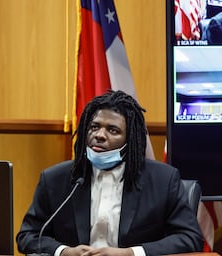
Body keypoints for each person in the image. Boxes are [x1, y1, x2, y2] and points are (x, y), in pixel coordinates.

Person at [17, 90, 202, 256]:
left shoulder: (163, 180)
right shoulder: (56, 179)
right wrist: (65, 251)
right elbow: (28, 235)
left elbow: (189, 238)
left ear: (130, 140)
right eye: (94, 127)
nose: (99, 135)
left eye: (112, 130)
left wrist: (131, 254)